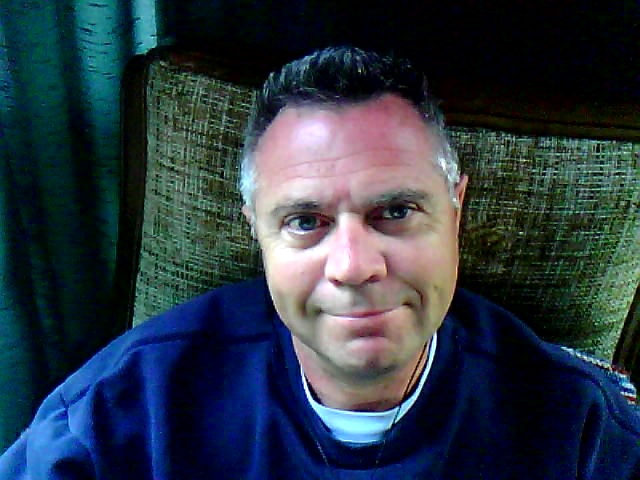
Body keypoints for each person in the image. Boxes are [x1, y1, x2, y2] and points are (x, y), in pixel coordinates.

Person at [1, 46, 638, 479]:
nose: (354, 266)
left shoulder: (580, 429)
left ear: (455, 210)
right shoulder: (124, 407)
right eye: (305, 222)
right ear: (257, 232)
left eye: (396, 211)